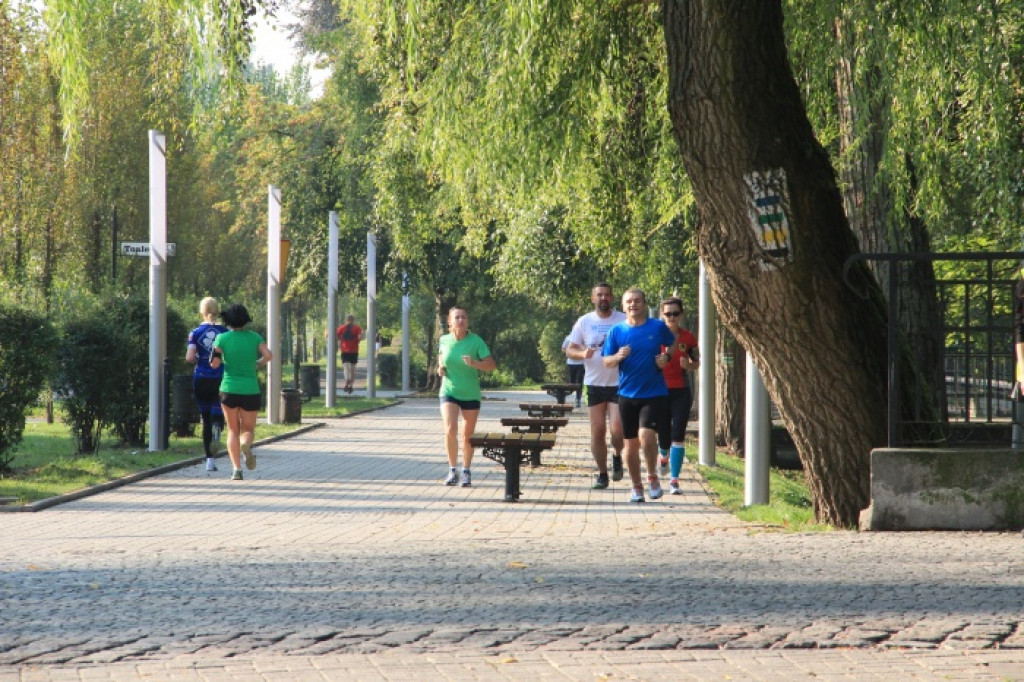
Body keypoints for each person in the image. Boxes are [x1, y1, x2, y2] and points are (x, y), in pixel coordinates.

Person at [602, 288, 676, 503]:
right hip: (626, 395)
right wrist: (617, 356)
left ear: (644, 304)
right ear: (623, 306)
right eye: (629, 302)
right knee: (630, 445)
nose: (633, 305)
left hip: (654, 393)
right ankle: (636, 487)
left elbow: (671, 343)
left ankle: (652, 476)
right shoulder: (616, 331)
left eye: (637, 301)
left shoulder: (657, 327)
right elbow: (606, 361)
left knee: (647, 435)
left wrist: (666, 358)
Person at [567, 283, 626, 489]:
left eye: (607, 295)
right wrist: (582, 354)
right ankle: (602, 473)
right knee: (597, 430)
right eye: (599, 295)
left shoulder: (623, 319)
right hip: (593, 383)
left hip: (619, 382)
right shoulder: (584, 322)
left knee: (617, 430)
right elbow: (569, 349)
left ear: (612, 298)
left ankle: (617, 455)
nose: (603, 298)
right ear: (593, 299)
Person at [211, 303, 273, 481]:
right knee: (247, 429)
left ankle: (236, 469)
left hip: (228, 389)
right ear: (246, 319)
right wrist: (258, 363)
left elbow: (214, 363)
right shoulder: (254, 337)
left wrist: (218, 357)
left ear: (228, 320)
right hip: (250, 389)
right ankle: (246, 445)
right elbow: (269, 355)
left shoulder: (221, 339)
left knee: (232, 430)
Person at [437, 307, 496, 487]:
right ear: (450, 322)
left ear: (467, 321)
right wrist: (440, 368)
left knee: (467, 435)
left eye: (464, 317)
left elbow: (491, 365)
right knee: (450, 429)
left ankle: (466, 471)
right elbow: (441, 357)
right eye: (457, 317)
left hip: (470, 392)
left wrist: (474, 363)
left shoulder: (475, 341)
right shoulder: (444, 340)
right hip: (449, 390)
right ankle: (452, 470)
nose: (461, 320)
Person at [657, 297, 700, 495]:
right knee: (664, 435)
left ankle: (674, 480)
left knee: (678, 435)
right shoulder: (655, 335)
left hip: (681, 390)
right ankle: (663, 456)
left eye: (675, 313)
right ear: (662, 315)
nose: (672, 317)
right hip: (659, 390)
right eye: (668, 314)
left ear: (681, 314)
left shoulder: (688, 338)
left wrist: (689, 365)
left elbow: (696, 362)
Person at [186, 297, 228, 472]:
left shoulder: (195, 332)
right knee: (218, 409)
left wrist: (200, 360)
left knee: (205, 418)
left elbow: (189, 357)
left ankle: (209, 461)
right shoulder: (225, 332)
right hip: (220, 377)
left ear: (202, 311)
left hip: (201, 377)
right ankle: (219, 425)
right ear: (217, 311)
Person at [336, 315, 364, 394]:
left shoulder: (342, 328)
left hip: (345, 351)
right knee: (352, 370)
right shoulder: (357, 328)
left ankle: (347, 380)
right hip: (354, 351)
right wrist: (359, 339)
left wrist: (339, 341)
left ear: (346, 320)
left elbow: (336, 335)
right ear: (353, 320)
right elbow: (360, 337)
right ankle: (350, 386)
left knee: (346, 367)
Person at [561, 334, 585, 408]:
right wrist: (570, 353)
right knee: (571, 382)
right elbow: (563, 349)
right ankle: (563, 397)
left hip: (581, 363)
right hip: (571, 363)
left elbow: (586, 349)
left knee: (579, 382)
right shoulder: (569, 338)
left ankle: (578, 399)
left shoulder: (583, 338)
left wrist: (580, 348)